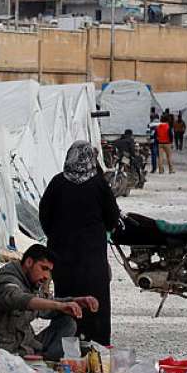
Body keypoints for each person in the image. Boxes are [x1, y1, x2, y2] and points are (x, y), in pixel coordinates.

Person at [39, 141, 120, 345]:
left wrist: (57, 236)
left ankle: (68, 345)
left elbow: (44, 217)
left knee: (67, 300)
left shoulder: (57, 183)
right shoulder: (99, 185)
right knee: (95, 301)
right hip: (92, 257)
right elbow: (113, 217)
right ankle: (97, 345)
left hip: (62, 255)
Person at [0, 244, 100, 361]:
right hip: (5, 353)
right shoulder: (6, 282)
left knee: (67, 323)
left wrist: (76, 302)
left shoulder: (30, 283)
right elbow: (19, 298)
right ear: (29, 262)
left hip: (27, 346)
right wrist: (60, 306)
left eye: (49, 271)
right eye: (44, 268)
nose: (46, 276)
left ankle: (48, 364)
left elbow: (46, 305)